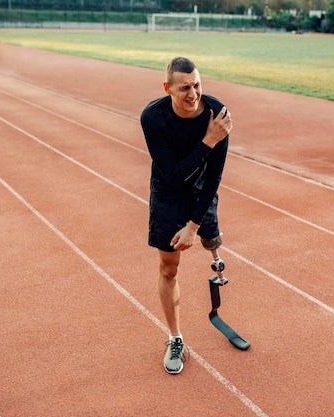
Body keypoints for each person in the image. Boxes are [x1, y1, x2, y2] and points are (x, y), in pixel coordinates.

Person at [140, 56, 233, 374]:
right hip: (168, 190)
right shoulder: (154, 117)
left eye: (197, 85)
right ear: (167, 88)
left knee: (211, 238)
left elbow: (215, 177)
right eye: (184, 88)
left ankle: (214, 249)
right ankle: (175, 338)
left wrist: (194, 224)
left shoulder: (217, 113)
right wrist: (208, 140)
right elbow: (174, 176)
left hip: (203, 187)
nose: (193, 94)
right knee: (169, 268)